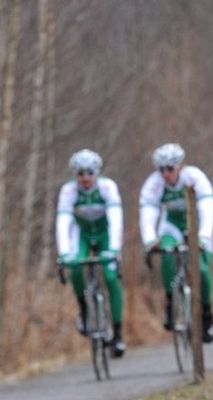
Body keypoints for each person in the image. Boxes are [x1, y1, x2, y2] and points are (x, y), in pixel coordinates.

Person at [139, 143, 213, 343]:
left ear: (180, 166)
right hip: (171, 225)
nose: (166, 174)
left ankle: (207, 314)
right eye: (161, 169)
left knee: (200, 269)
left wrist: (204, 236)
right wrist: (150, 239)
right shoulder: (154, 183)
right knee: (166, 254)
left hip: (196, 226)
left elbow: (208, 206)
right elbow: (148, 211)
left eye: (170, 169)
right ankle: (170, 302)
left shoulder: (194, 176)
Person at [56, 149, 126, 357]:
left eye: (89, 173)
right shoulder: (68, 191)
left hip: (105, 234)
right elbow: (63, 222)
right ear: (75, 174)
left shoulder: (107, 187)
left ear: (97, 172)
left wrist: (114, 248)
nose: (85, 178)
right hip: (82, 233)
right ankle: (84, 310)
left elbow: (115, 219)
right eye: (80, 173)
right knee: (76, 268)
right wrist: (64, 253)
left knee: (111, 277)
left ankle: (118, 333)